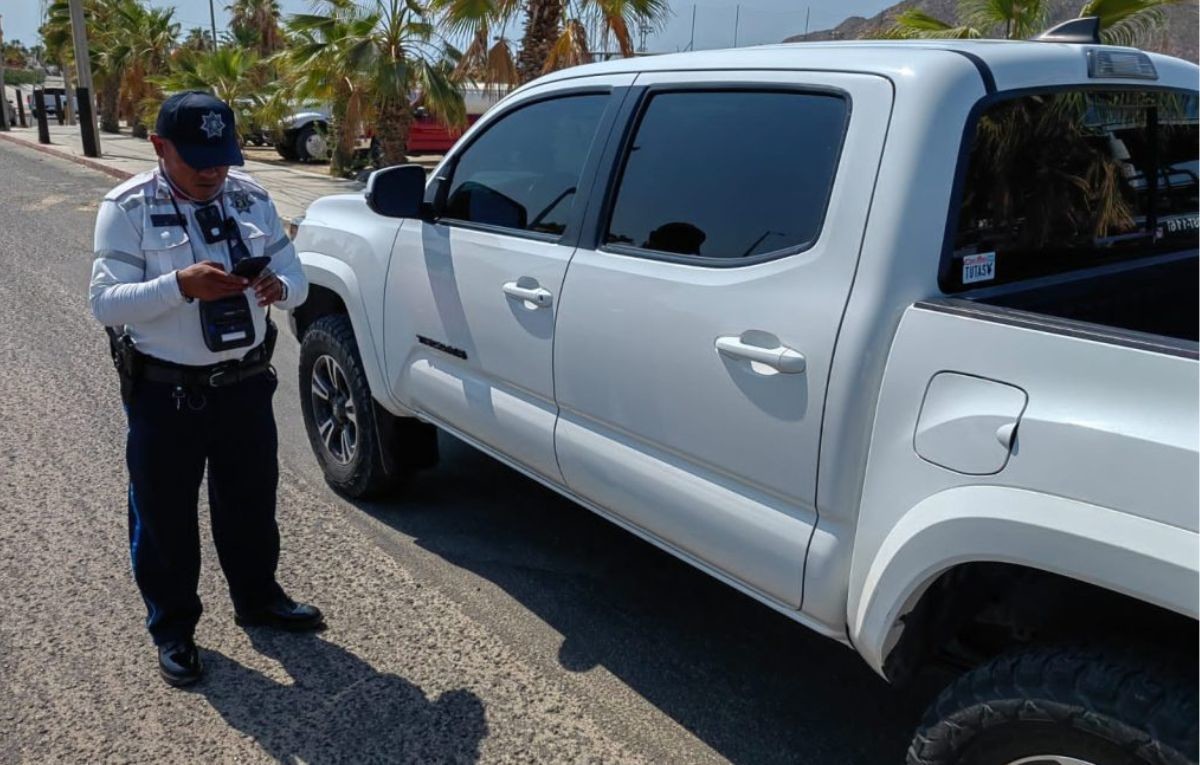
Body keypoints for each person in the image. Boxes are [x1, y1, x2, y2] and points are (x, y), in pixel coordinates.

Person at [89, 91, 323, 688]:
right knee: (164, 516)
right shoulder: (127, 207)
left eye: (220, 156)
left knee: (250, 504)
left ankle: (258, 599)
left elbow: (295, 273)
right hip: (165, 393)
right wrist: (179, 286)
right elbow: (105, 302)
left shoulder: (252, 198)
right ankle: (174, 628)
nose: (212, 171)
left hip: (244, 385)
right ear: (160, 148)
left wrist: (280, 287)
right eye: (196, 158)